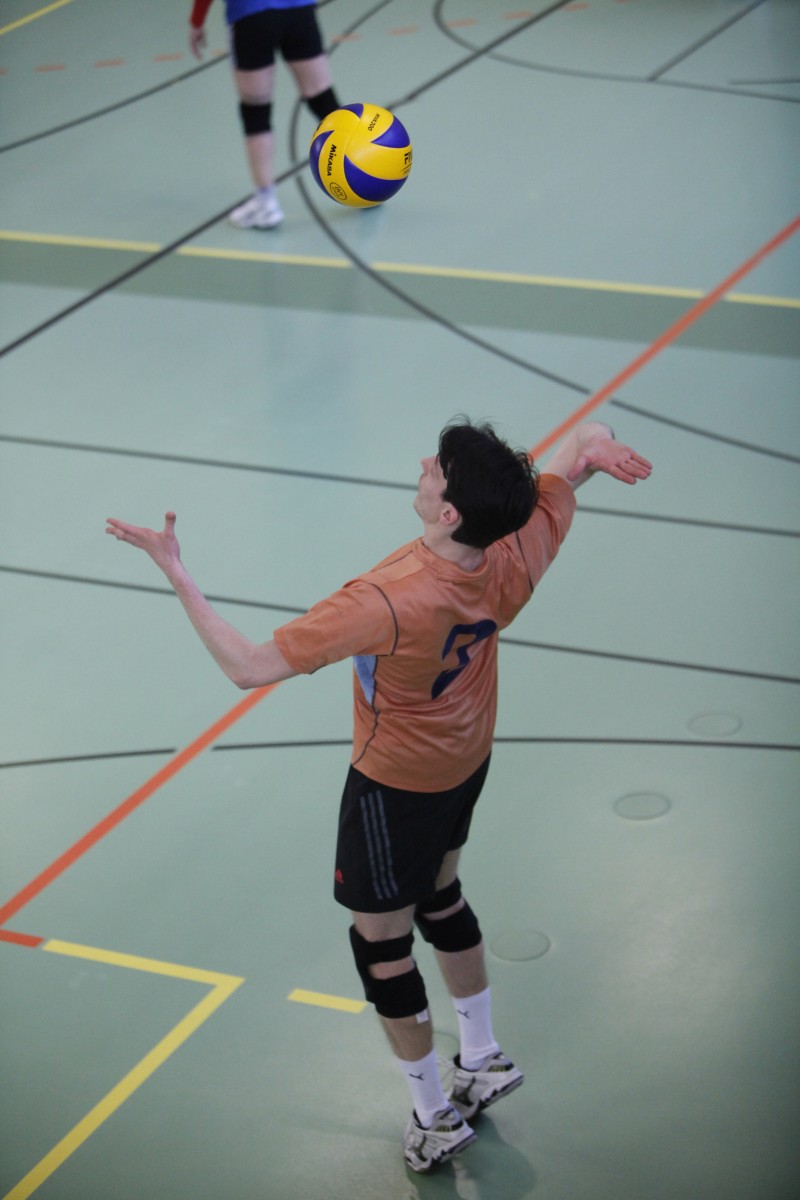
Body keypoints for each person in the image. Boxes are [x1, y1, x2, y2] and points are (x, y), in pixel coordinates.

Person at [105, 418, 652, 1172]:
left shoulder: (387, 600)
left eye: (438, 467)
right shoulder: (516, 547)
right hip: (467, 758)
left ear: (449, 511)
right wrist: (593, 446)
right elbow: (571, 463)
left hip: (395, 785)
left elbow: (249, 667)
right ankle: (482, 1055)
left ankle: (433, 1115)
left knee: (381, 945)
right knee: (441, 897)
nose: (425, 463)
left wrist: (176, 571)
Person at [189, 0, 341, 228]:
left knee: (255, 112)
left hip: (251, 15)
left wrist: (196, 21)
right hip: (299, 11)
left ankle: (266, 204)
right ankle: (364, 180)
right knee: (322, 98)